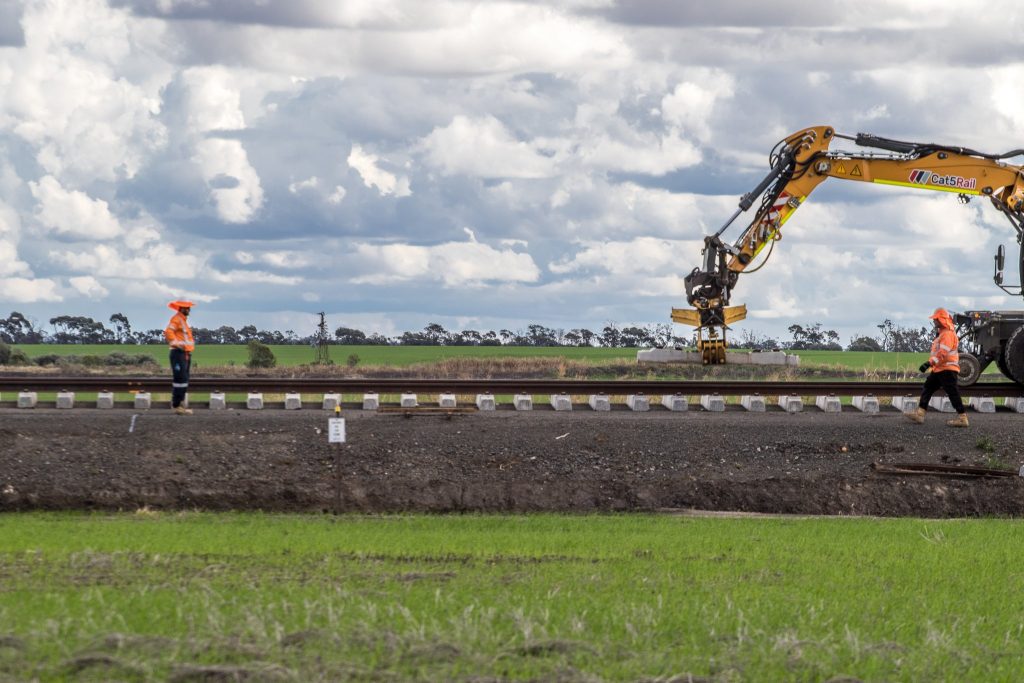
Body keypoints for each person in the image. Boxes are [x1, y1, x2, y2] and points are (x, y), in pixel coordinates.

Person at [907, 308, 968, 427]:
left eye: (936, 319)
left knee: (952, 393)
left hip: (947, 370)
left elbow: (942, 353)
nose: (934, 321)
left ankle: (963, 418)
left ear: (942, 320)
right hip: (940, 369)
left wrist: (928, 363)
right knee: (928, 387)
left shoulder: (947, 334)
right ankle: (920, 414)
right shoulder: (943, 333)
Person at [164, 300, 195, 416]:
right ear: (181, 309)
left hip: (184, 353)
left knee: (184, 379)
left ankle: (180, 405)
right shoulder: (177, 319)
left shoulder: (183, 321)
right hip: (178, 353)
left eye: (189, 308)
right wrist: (176, 343)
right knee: (180, 379)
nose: (189, 310)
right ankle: (177, 405)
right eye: (187, 308)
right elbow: (168, 332)